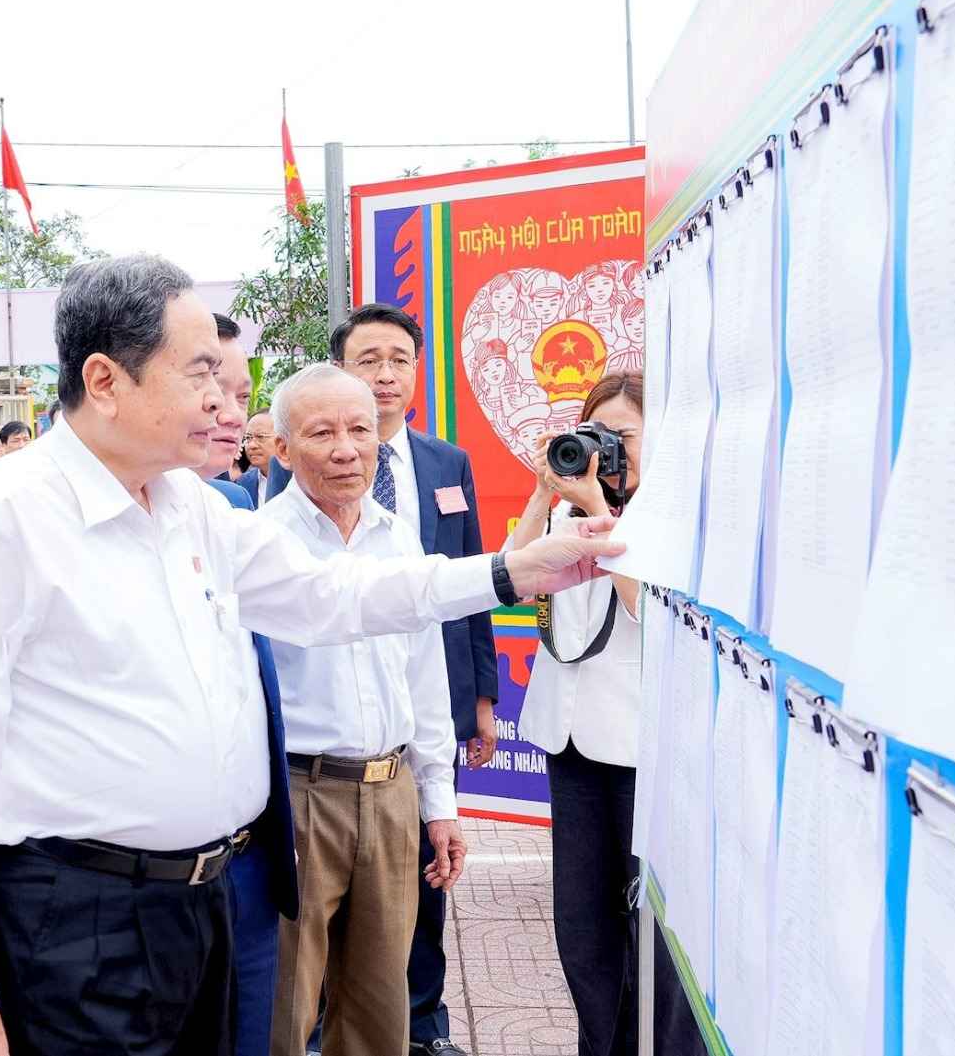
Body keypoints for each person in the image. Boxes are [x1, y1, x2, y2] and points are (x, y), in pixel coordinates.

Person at [0, 254, 623, 1056]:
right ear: (105, 380)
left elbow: (339, 595)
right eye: (199, 371)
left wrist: (514, 570)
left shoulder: (193, 508)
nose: (220, 398)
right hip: (80, 923)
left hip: (206, 908)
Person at [258, 364, 465, 1056]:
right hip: (298, 793)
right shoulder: (262, 543)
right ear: (283, 449)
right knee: (285, 1004)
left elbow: (424, 673)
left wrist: (440, 801)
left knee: (381, 1011)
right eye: (323, 432)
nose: (347, 448)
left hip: (391, 790)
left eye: (361, 429)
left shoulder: (397, 537)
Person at [508, 372, 697, 1056]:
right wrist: (544, 493)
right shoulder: (566, 512)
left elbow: (649, 609)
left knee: (651, 924)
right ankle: (600, 1043)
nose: (604, 452)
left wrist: (604, 511)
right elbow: (508, 574)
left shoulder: (675, 512)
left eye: (620, 437)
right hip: (570, 743)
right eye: (592, 435)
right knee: (581, 922)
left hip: (640, 749)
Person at [326, 303, 497, 1056]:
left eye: (399, 359)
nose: (386, 374)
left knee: (431, 865)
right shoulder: (302, 467)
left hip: (434, 694)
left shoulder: (445, 463)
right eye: (369, 359)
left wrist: (482, 694)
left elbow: (470, 581)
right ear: (343, 371)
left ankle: (425, 1021)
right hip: (347, 709)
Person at [197, 315, 297, 1056]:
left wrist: (504, 572)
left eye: (242, 391)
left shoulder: (228, 510)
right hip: (119, 894)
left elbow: (339, 595)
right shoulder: (19, 518)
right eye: (212, 387)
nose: (235, 413)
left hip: (248, 867)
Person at [239, 410, 278, 505]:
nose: (252, 445)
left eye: (260, 437)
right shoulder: (243, 483)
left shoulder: (302, 481)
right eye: (248, 438)